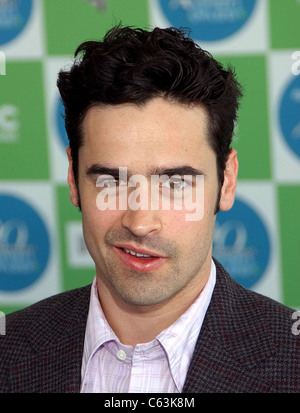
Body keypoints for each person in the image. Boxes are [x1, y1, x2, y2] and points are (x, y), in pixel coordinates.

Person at [0, 25, 299, 394]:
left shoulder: (292, 360)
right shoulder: (7, 350)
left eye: (174, 184)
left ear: (227, 181)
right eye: (111, 181)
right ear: (74, 180)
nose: (140, 223)